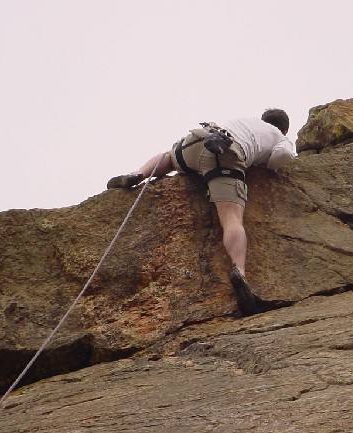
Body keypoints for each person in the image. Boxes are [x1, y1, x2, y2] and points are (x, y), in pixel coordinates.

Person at [107, 109, 296, 316]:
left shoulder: (245, 121)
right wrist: (269, 165)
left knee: (170, 156)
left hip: (200, 139)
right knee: (232, 219)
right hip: (224, 155)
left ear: (263, 119)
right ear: (284, 129)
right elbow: (284, 155)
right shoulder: (279, 137)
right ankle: (239, 272)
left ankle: (138, 173)